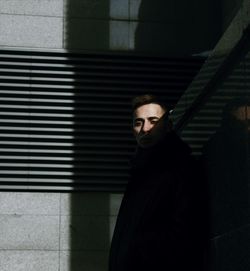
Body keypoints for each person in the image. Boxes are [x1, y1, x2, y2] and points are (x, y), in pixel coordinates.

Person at [109, 94, 207, 271]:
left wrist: (141, 250)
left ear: (168, 126)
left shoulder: (181, 168)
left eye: (153, 121)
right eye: (138, 122)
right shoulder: (140, 171)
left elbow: (186, 232)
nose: (144, 129)